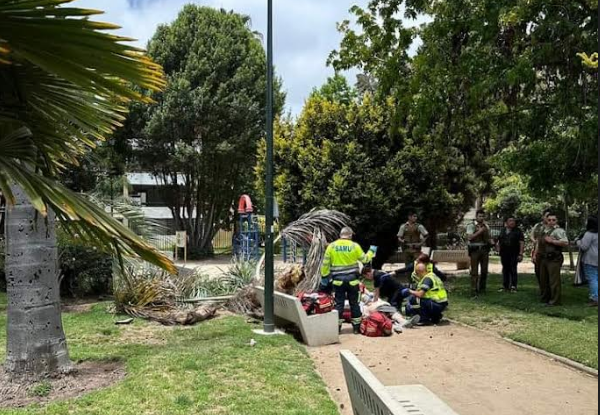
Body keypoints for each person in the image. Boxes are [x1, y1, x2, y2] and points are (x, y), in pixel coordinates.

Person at [320, 227, 377, 334]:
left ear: (340, 235)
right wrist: (371, 251)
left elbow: (325, 263)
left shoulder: (332, 246)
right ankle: (356, 328)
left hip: (338, 281)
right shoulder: (354, 246)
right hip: (353, 281)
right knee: (354, 303)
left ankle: (337, 328)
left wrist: (324, 277)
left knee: (339, 304)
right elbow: (365, 260)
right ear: (350, 235)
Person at [536, 212, 569, 306]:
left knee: (553, 281)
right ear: (546, 220)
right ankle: (545, 298)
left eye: (553, 220)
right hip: (543, 258)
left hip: (553, 258)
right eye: (549, 220)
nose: (551, 222)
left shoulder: (559, 231)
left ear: (557, 221)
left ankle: (555, 301)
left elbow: (565, 242)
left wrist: (553, 241)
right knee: (543, 280)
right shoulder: (543, 230)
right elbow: (538, 243)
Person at [466, 210, 492, 298]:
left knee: (484, 271)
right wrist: (480, 231)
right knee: (474, 271)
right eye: (480, 216)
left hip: (484, 250)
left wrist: (492, 242)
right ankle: (474, 290)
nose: (481, 218)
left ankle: (482, 289)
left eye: (483, 216)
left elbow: (488, 237)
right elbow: (470, 237)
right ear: (476, 216)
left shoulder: (486, 226)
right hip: (475, 250)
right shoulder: (471, 225)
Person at [496, 216, 525, 292]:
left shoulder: (518, 231)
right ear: (506, 222)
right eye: (510, 221)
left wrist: (521, 253)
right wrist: (498, 249)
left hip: (514, 253)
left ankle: (513, 286)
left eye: (513, 221)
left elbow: (521, 242)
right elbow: (498, 240)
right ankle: (505, 286)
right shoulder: (502, 231)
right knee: (505, 269)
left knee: (513, 269)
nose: (512, 222)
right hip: (504, 253)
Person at [576, 216, 598, 307]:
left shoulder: (589, 234)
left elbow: (584, 246)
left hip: (590, 259)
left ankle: (595, 298)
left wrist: (577, 241)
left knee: (592, 279)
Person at [531, 208, 552, 285]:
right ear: (543, 217)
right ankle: (542, 288)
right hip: (537, 250)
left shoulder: (553, 227)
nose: (548, 218)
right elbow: (532, 236)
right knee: (538, 270)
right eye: (546, 216)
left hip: (547, 251)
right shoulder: (538, 225)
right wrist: (535, 241)